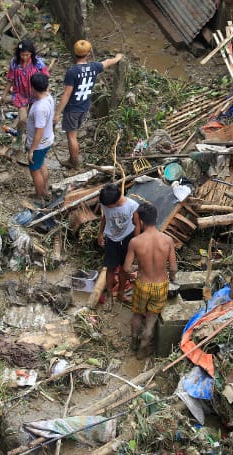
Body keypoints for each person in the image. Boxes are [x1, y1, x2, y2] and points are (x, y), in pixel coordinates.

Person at [54, 40, 123, 170]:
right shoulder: (94, 67)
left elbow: (66, 94)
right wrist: (117, 57)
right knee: (74, 134)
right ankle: (72, 159)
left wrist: (57, 113)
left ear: (75, 53)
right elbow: (107, 62)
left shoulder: (72, 71)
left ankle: (74, 163)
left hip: (72, 108)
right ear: (89, 54)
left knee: (71, 137)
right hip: (84, 107)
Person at [123, 202, 177, 360]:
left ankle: (133, 342)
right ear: (156, 218)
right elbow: (173, 267)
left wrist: (137, 268)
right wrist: (172, 278)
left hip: (142, 284)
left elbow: (126, 268)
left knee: (137, 315)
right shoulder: (168, 240)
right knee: (151, 319)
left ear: (140, 221)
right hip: (160, 285)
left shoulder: (135, 242)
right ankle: (142, 350)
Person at [0, 39, 50, 148]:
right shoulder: (14, 62)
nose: (25, 58)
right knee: (22, 119)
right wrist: (4, 95)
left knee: (32, 120)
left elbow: (45, 77)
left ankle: (30, 141)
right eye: (22, 55)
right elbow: (10, 79)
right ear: (19, 54)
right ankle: (18, 140)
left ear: (31, 53)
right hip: (20, 94)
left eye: (27, 55)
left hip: (34, 94)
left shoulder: (37, 62)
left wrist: (46, 94)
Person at [98, 182, 140, 308]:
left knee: (124, 268)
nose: (107, 208)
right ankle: (110, 295)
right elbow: (104, 218)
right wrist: (100, 234)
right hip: (111, 239)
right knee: (110, 268)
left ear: (116, 201)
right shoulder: (106, 202)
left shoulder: (132, 205)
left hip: (128, 239)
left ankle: (121, 293)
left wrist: (136, 243)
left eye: (109, 206)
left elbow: (137, 224)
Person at [26, 73, 54, 200]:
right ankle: (45, 190)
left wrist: (32, 150)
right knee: (41, 164)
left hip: (39, 144)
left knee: (35, 170)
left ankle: (39, 195)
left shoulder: (39, 108)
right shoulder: (48, 97)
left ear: (32, 88)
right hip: (47, 140)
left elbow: (39, 131)